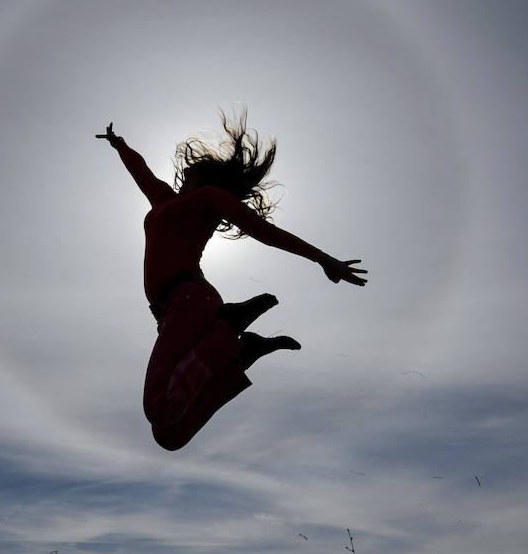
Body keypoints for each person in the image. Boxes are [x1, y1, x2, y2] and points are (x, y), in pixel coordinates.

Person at [97, 112, 367, 451]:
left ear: (206, 173)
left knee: (158, 408)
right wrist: (119, 145)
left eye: (194, 166)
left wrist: (322, 258)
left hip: (191, 300)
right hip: (169, 313)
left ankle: (230, 326)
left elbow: (265, 233)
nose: (186, 168)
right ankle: (242, 353)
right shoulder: (165, 199)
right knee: (169, 435)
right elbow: (141, 172)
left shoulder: (209, 196)